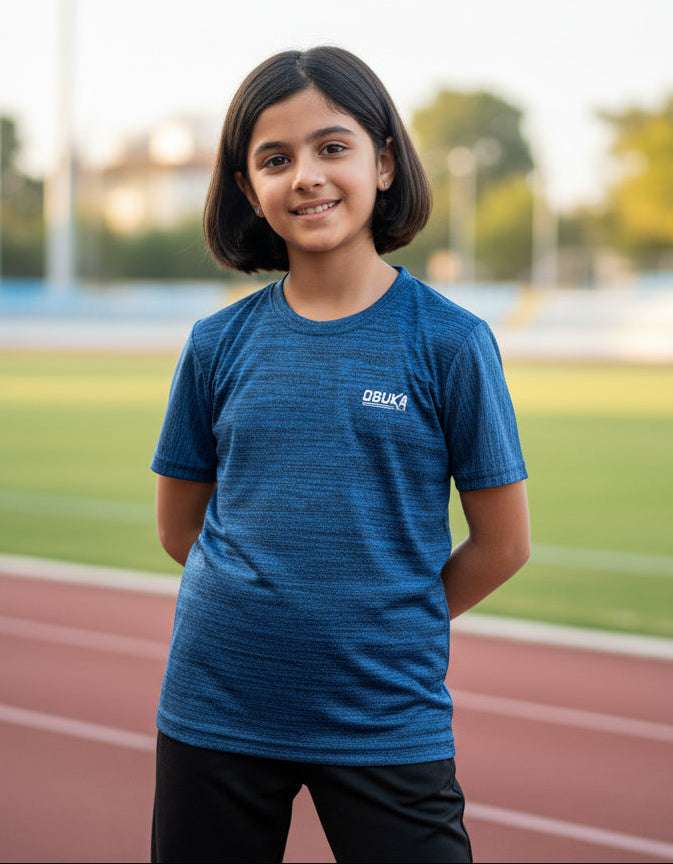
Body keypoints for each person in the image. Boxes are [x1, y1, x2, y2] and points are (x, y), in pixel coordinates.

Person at [150, 46, 530, 864]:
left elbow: (503, 545)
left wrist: (377, 623)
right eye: (275, 159)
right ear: (249, 188)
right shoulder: (216, 343)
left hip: (383, 714)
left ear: (384, 162)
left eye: (333, 147)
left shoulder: (451, 343)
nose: (307, 176)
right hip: (216, 706)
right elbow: (181, 529)